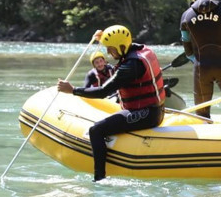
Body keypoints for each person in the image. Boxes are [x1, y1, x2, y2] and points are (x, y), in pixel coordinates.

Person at [57, 25, 166, 181]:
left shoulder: (130, 66)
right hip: (157, 110)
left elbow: (103, 91)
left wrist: (73, 90)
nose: (108, 52)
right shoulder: (141, 50)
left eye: (110, 48)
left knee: (96, 130)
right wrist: (103, 38)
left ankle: (99, 178)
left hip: (147, 115)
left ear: (121, 47)